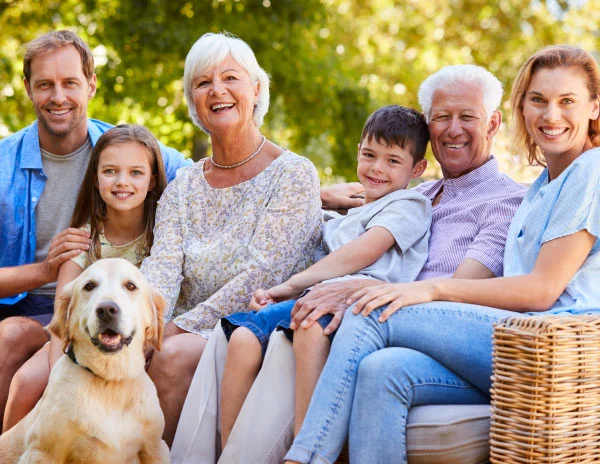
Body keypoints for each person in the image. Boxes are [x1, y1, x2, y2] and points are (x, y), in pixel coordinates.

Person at [171, 64, 527, 463]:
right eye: (442, 117)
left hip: (410, 328)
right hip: (357, 311)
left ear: (493, 123)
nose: (453, 129)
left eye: (468, 117)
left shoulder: (505, 201)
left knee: (311, 328)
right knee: (236, 333)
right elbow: (356, 205)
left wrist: (360, 290)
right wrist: (323, 195)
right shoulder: (417, 190)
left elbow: (456, 297)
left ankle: (300, 455)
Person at [285, 44, 600, 464]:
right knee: (382, 372)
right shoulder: (542, 185)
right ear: (522, 108)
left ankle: (304, 458)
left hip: (551, 347)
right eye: (538, 100)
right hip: (510, 346)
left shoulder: (590, 169)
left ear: (594, 107)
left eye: (567, 102)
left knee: (368, 310)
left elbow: (543, 290)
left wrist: (429, 291)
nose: (550, 115)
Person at [140, 32, 323, 446]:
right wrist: (145, 328)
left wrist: (175, 332)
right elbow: (161, 270)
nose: (217, 90)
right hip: (178, 328)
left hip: (249, 327)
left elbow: (261, 274)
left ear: (256, 88)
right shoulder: (183, 186)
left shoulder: (294, 174)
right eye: (203, 83)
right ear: (193, 102)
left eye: (230, 78)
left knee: (168, 360)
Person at [0, 30, 190, 425]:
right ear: (27, 89)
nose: (58, 97)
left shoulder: (122, 149)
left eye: (70, 82)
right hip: (35, 311)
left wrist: (317, 193)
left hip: (111, 311)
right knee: (11, 336)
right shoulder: (3, 165)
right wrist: (44, 271)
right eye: (44, 85)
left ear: (91, 84)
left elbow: (214, 179)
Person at [217, 105, 431, 449]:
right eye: (369, 155)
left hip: (357, 303)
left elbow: (363, 252)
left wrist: (289, 286)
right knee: (242, 337)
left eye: (393, 161)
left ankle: (307, 445)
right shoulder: (348, 213)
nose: (377, 168)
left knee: (310, 325)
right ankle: (229, 451)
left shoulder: (409, 205)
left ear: (417, 168)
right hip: (314, 296)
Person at [2, 124, 167, 432]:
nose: (122, 182)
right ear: (95, 176)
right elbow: (62, 320)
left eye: (136, 173)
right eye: (110, 171)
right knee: (26, 381)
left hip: (137, 344)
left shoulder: (164, 234)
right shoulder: (84, 237)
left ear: (153, 178)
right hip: (84, 343)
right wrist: (58, 380)